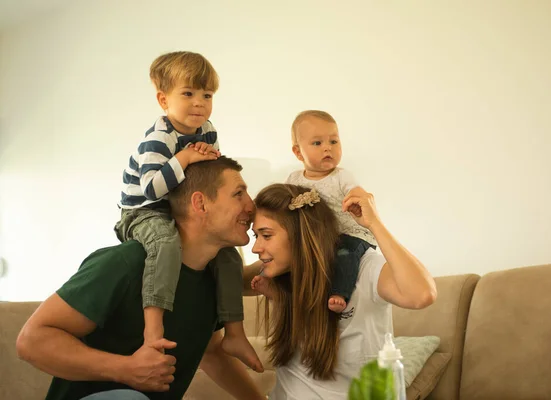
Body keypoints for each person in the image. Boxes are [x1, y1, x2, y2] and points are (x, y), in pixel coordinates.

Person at [16, 157, 265, 400]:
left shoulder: (216, 278)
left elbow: (211, 352)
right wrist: (126, 369)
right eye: (238, 194)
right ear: (200, 203)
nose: (251, 206)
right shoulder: (128, 262)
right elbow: (32, 341)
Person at [115, 51, 260, 371]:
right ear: (163, 100)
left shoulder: (206, 128)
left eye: (207, 95)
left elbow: (208, 175)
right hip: (144, 209)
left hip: (176, 206)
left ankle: (234, 332)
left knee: (228, 253)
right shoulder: (157, 138)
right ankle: (153, 327)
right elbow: (152, 188)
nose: (199, 102)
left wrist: (209, 157)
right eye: (188, 93)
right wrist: (183, 159)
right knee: (165, 243)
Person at [248, 183, 437, 398]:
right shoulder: (278, 271)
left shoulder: (364, 268)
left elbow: (422, 294)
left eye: (266, 235)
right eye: (256, 236)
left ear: (301, 234)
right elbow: (222, 278)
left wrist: (374, 223)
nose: (256, 248)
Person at [285, 110, 377, 313]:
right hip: (321, 239)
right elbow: (283, 204)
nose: (328, 148)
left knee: (345, 253)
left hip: (351, 234)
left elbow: (356, 191)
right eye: (318, 143)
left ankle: (340, 292)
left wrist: (359, 197)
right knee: (294, 255)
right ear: (298, 152)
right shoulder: (294, 179)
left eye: (334, 142)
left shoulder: (341, 176)